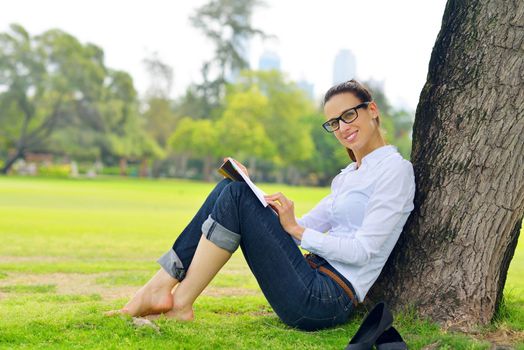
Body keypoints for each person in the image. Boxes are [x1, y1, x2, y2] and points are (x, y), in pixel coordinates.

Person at [106, 79, 416, 331]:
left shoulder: (395, 171)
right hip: (308, 278)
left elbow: (364, 251)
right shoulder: (348, 176)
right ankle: (162, 288)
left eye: (349, 115)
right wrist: (253, 190)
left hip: (326, 300)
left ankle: (178, 301)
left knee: (236, 196)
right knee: (232, 188)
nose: (342, 127)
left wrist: (295, 227)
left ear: (372, 110)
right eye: (333, 123)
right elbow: (287, 229)